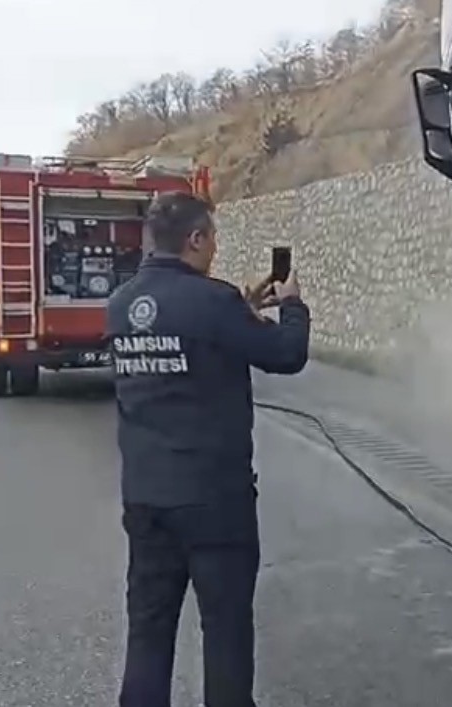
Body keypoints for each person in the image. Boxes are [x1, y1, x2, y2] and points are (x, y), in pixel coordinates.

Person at [108, 191, 311, 707]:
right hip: (215, 504)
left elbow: (181, 335)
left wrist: (241, 307)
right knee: (224, 630)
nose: (215, 247)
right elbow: (286, 355)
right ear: (195, 239)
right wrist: (292, 306)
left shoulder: (121, 305)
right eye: (213, 237)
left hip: (147, 501)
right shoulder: (212, 302)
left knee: (149, 634)